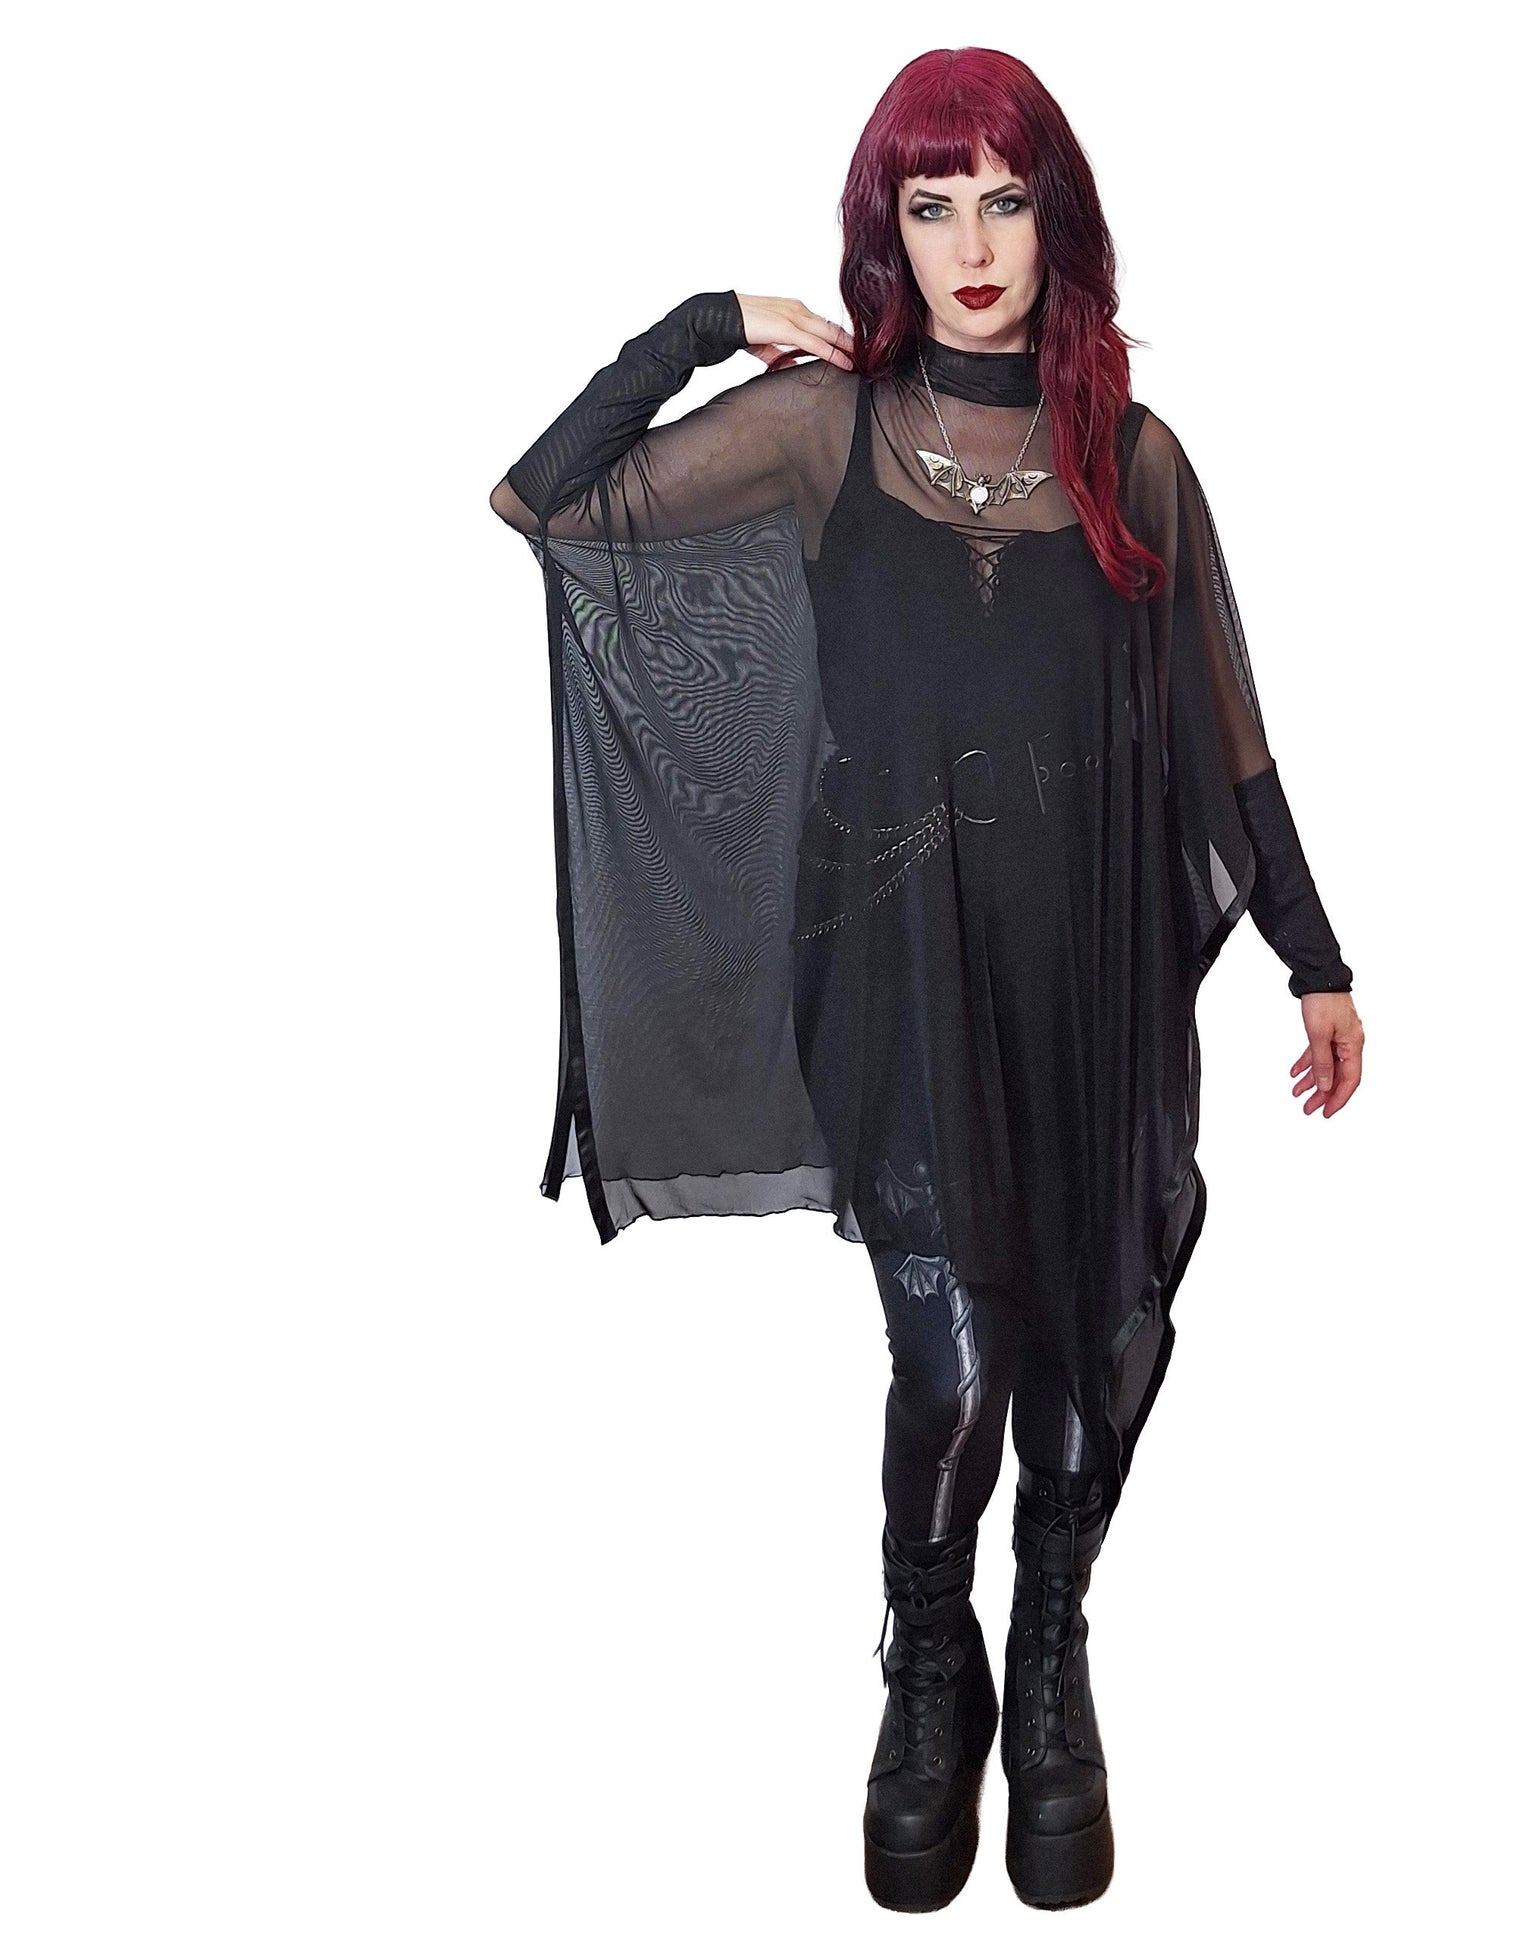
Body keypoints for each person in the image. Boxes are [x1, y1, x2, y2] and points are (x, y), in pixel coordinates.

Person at [489, 46, 1363, 1913]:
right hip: (890, 969)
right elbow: (542, 501)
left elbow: (1227, 735)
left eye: (1005, 198)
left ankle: (1048, 1649)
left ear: (1058, 219)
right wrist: (707, 327)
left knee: (1087, 1351)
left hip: (1090, 977)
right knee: (955, 1361)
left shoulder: (1134, 455)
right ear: (886, 228)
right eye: (930, 201)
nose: (972, 243)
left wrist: (1314, 954)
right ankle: (925, 1657)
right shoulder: (826, 428)